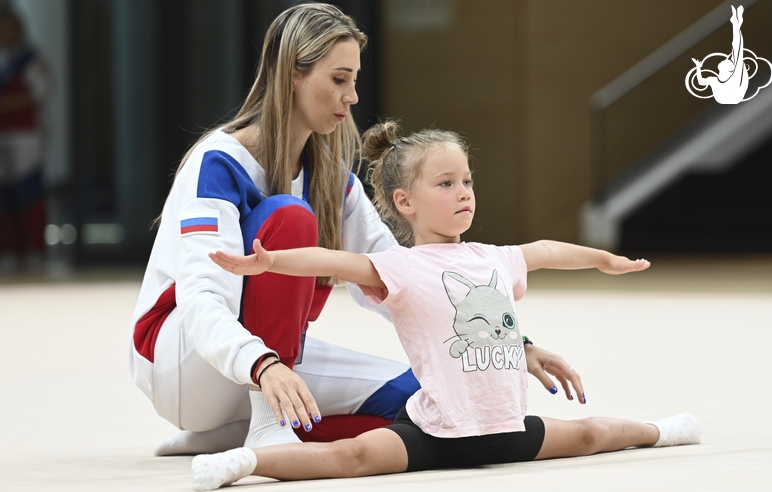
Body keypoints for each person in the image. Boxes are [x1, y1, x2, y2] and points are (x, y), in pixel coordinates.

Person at [130, 2, 583, 457]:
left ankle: (232, 434)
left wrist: (512, 343)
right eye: (339, 79)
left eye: (354, 80)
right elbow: (201, 300)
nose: (353, 97)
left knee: (427, 404)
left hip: (267, 362)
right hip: (184, 362)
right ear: (292, 75)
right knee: (290, 219)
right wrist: (264, 365)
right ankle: (265, 420)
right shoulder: (218, 163)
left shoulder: (332, 180)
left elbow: (405, 278)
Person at [196, 120, 702, 490]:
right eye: (445, 184)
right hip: (435, 433)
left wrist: (604, 261)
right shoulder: (399, 266)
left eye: (466, 181)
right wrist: (270, 262)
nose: (463, 193)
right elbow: (333, 259)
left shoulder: (494, 257)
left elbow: (547, 250)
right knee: (348, 458)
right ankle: (246, 463)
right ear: (404, 203)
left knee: (592, 433)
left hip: (506, 429)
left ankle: (662, 432)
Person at [0, 7, 48, 272]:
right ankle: (12, 251)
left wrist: (5, 105)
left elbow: (39, 95)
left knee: (28, 193)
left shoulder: (32, 60)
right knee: (5, 196)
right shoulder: (4, 61)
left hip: (25, 136)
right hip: (3, 135)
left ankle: (36, 251)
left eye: (8, 28)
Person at [691, 5, 748, 104]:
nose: (725, 59)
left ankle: (736, 23)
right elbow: (701, 82)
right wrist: (698, 67)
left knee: (737, 50)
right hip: (726, 99)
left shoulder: (735, 77)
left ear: (729, 69)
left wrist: (736, 25)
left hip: (733, 97)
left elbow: (737, 48)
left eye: (727, 61)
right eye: (728, 60)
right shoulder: (714, 80)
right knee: (736, 51)